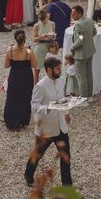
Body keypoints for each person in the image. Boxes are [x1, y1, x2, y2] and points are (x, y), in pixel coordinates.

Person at [25, 57, 72, 187]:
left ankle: (67, 188)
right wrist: (47, 108)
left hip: (61, 126)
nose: (60, 71)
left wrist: (66, 113)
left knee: (66, 158)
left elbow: (62, 99)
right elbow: (33, 105)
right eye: (58, 69)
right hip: (46, 129)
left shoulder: (61, 80)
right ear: (49, 70)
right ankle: (28, 175)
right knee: (38, 154)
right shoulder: (40, 86)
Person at [3, 30, 36, 130]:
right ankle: (22, 120)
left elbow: (6, 65)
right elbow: (35, 65)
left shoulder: (10, 49)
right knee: (25, 97)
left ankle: (11, 119)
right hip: (26, 76)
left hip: (15, 75)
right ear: (25, 38)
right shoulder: (28, 51)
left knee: (13, 97)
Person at [70, 5, 97, 103]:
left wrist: (72, 47)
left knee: (81, 76)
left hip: (81, 54)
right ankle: (89, 95)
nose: (72, 15)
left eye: (73, 13)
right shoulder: (89, 20)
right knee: (89, 74)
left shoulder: (79, 25)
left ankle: (84, 98)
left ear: (79, 13)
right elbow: (94, 32)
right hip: (90, 51)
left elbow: (80, 40)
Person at [32, 10, 56, 83]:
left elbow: (54, 36)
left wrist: (52, 36)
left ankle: (52, 85)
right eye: (42, 20)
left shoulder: (52, 23)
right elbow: (34, 39)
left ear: (47, 17)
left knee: (51, 68)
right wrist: (42, 36)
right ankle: (35, 87)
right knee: (37, 70)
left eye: (44, 19)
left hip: (50, 46)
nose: (43, 21)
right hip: (40, 47)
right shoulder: (36, 25)